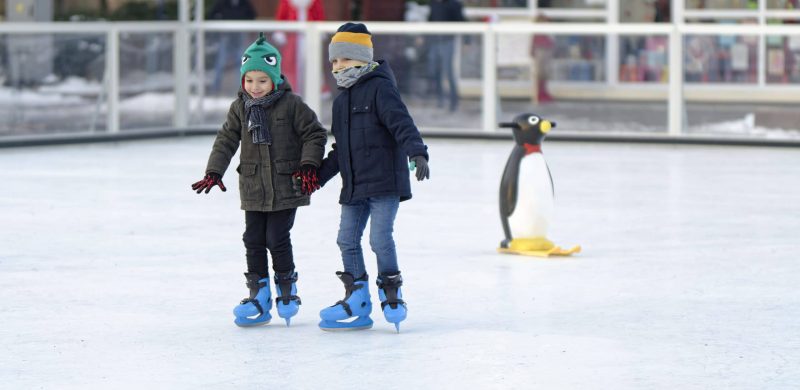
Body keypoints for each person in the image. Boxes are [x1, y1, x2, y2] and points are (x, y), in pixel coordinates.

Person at [191, 33, 327, 328]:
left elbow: (315, 134)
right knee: (252, 239)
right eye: (249, 80)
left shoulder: (292, 104)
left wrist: (308, 165)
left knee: (276, 238)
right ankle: (259, 293)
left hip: (285, 185)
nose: (255, 87)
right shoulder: (240, 107)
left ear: (275, 79)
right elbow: (226, 139)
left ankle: (287, 289)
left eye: (262, 80)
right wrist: (214, 171)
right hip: (253, 185)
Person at [316, 22, 430, 332]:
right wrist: (317, 178)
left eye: (345, 59)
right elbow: (340, 151)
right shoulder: (341, 102)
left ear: (363, 58)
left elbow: (401, 123)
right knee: (346, 240)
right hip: (354, 185)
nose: (338, 67)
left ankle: (391, 292)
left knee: (380, 239)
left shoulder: (381, 88)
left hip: (383, 183)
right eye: (335, 61)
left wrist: (416, 152)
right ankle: (357, 299)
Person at [208, 0, 256, 94]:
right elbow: (212, 16)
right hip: (226, 36)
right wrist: (219, 28)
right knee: (220, 61)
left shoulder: (244, 3)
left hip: (240, 36)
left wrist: (247, 27)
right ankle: (215, 88)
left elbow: (252, 16)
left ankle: (241, 88)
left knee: (242, 61)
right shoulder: (222, 3)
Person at [427, 0, 465, 112]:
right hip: (434, 42)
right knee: (434, 70)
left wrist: (467, 41)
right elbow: (429, 21)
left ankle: (454, 101)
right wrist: (423, 38)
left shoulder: (454, 5)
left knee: (448, 72)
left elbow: (462, 22)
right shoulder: (433, 4)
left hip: (448, 42)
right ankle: (440, 99)